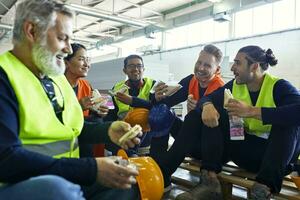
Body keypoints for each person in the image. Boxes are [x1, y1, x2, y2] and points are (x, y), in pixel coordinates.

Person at [0, 0, 142, 199]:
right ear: (31, 32)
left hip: (63, 174)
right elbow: (5, 160)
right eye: (62, 38)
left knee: (125, 185)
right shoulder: (4, 76)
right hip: (17, 183)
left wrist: (107, 130)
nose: (67, 49)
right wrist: (89, 169)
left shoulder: (56, 78)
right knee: (59, 191)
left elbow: (71, 129)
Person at [176, 45, 300, 200]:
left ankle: (263, 190)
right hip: (246, 154)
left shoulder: (279, 86)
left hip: (276, 160)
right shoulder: (235, 85)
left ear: (254, 66)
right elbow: (208, 98)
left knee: (289, 121)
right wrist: (207, 105)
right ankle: (210, 181)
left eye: (237, 63)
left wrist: (252, 111)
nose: (233, 67)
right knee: (214, 111)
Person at [152, 45, 224, 188]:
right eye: (199, 62)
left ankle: (162, 172)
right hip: (188, 140)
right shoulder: (191, 80)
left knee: (193, 118)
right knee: (160, 112)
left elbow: (217, 131)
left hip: (210, 148)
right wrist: (157, 97)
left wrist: (198, 112)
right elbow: (168, 101)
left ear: (217, 70)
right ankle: (156, 161)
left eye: (207, 65)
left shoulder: (221, 89)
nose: (201, 68)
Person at [104, 54, 156, 155]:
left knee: (141, 115)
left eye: (139, 66)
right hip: (123, 133)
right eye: (131, 66)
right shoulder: (116, 88)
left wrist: (133, 101)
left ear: (143, 69)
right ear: (125, 70)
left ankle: (129, 152)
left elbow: (157, 108)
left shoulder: (153, 85)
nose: (136, 69)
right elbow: (110, 114)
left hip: (145, 134)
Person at [65, 43, 108, 157]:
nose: (86, 64)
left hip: (84, 141)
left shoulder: (86, 85)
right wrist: (78, 107)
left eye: (88, 60)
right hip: (64, 142)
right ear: (66, 62)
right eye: (81, 59)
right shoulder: (55, 85)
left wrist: (99, 112)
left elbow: (92, 112)